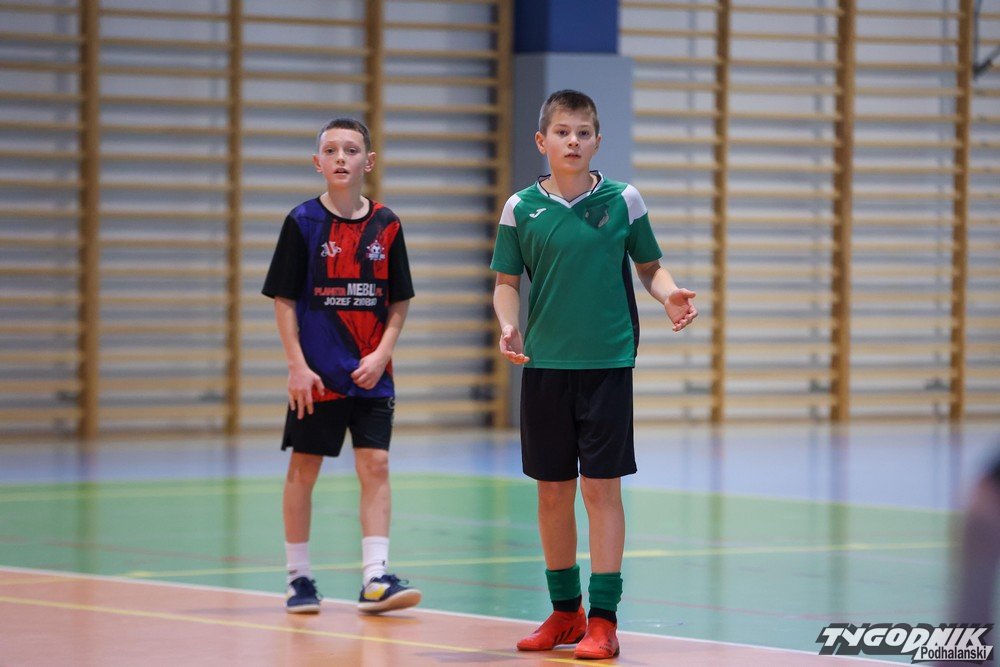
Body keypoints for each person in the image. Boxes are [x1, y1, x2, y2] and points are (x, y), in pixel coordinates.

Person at [490, 90, 698, 660]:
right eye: (562, 132)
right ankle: (565, 614)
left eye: (583, 133)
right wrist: (508, 326)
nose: (573, 141)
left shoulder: (623, 200)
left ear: (597, 141)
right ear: (542, 141)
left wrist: (668, 294)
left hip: (607, 364)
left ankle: (603, 620)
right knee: (552, 493)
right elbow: (506, 283)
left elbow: (650, 267)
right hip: (544, 367)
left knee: (601, 490)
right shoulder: (519, 208)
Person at [262, 117, 421, 616]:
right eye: (331, 150)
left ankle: (375, 577)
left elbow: (399, 300)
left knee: (376, 465)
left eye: (351, 150)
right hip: (318, 377)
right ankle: (298, 577)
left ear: (367, 161)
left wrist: (381, 354)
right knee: (304, 468)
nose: (340, 158)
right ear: (317, 162)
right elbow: (284, 300)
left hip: (372, 374)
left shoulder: (387, 225)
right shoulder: (303, 222)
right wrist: (296, 366)